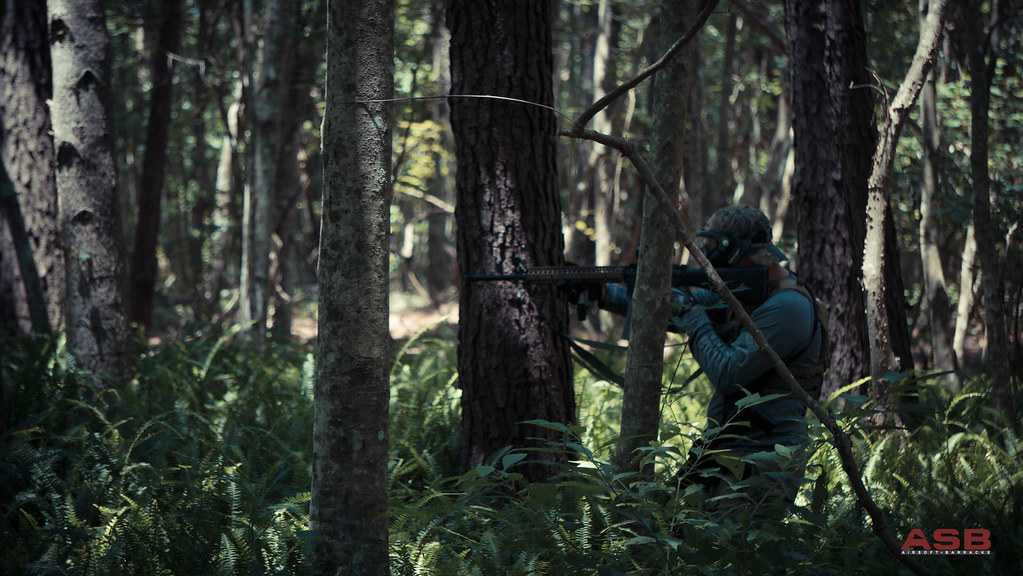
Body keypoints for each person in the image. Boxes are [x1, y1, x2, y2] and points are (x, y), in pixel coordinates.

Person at [570, 205, 829, 516]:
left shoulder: (788, 307)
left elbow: (728, 372)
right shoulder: (747, 295)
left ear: (736, 250)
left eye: (713, 246)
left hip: (764, 462)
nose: (707, 255)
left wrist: (693, 316)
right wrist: (602, 294)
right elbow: (678, 308)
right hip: (726, 450)